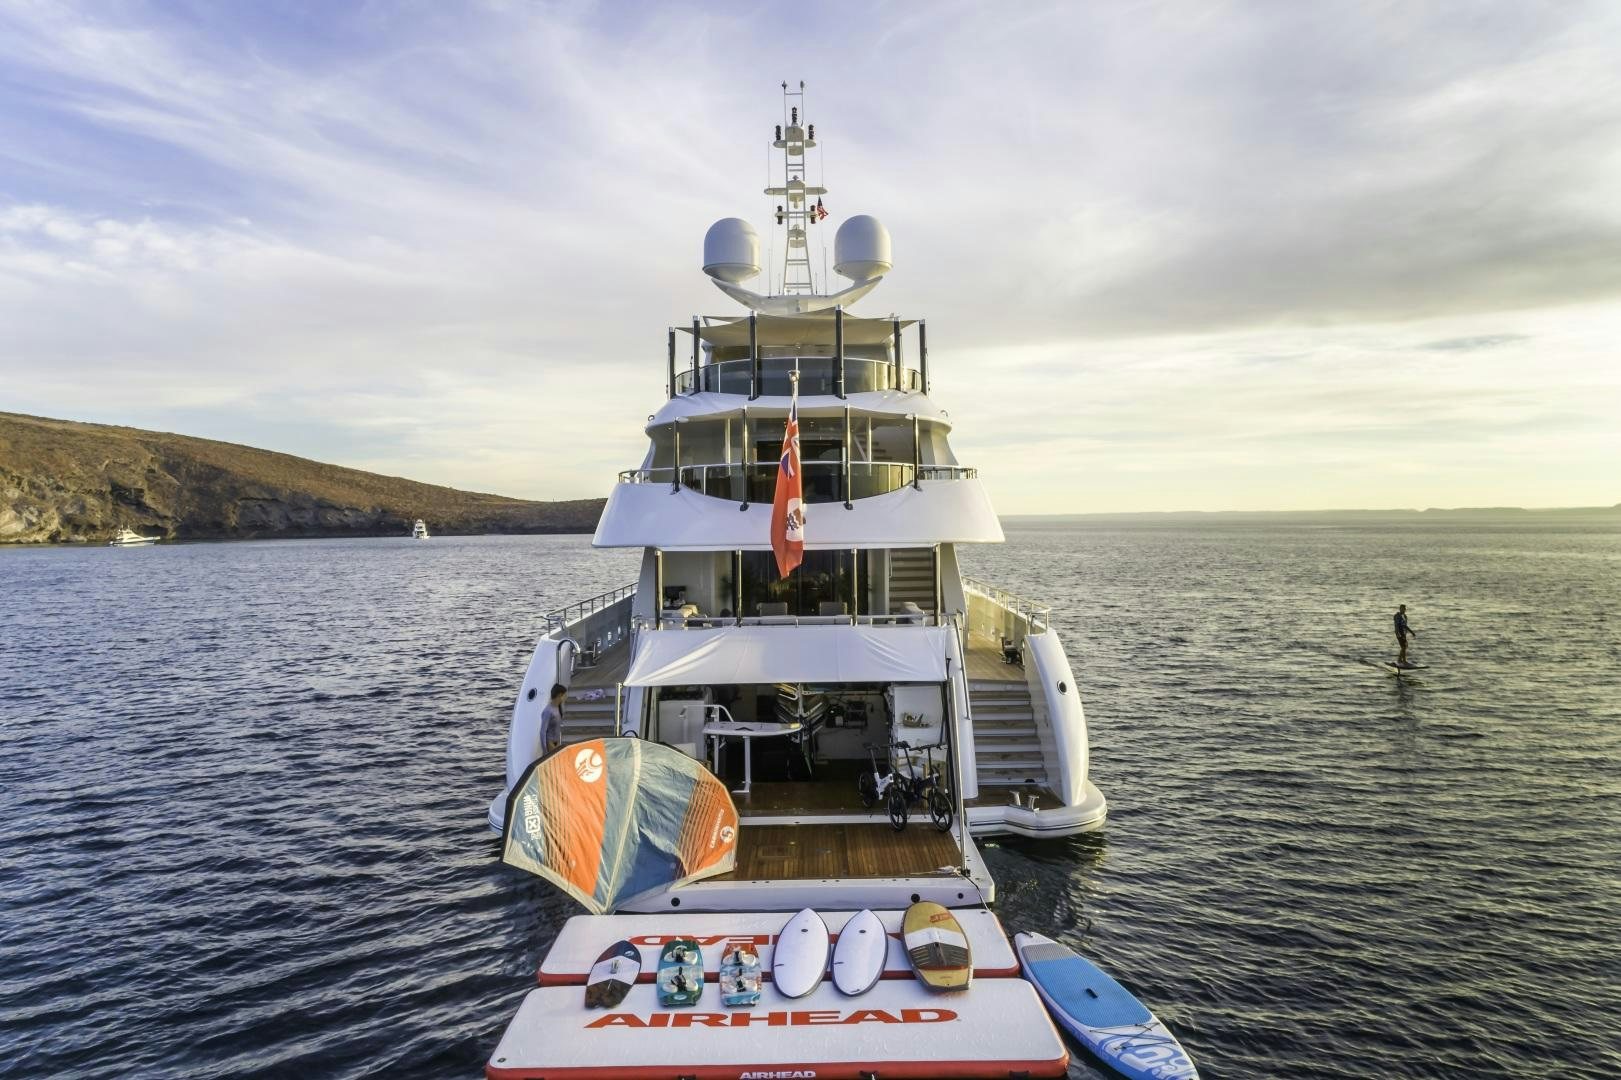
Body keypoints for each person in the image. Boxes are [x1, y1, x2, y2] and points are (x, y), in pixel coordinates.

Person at [541, 683, 566, 754]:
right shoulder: (548, 711)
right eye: (564, 695)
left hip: (557, 741)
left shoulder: (559, 707)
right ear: (559, 695)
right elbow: (543, 732)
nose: (565, 697)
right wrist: (545, 750)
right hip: (550, 743)